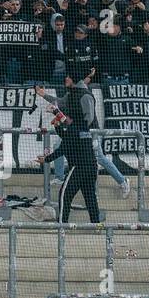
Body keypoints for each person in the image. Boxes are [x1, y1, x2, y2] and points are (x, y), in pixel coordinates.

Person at [37, 72, 101, 223]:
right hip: (91, 167)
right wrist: (59, 125)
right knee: (90, 197)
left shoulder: (76, 124)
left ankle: (62, 226)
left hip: (79, 167)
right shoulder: (81, 129)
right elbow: (67, 137)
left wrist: (46, 159)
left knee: (64, 195)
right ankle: (96, 225)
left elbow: (64, 147)